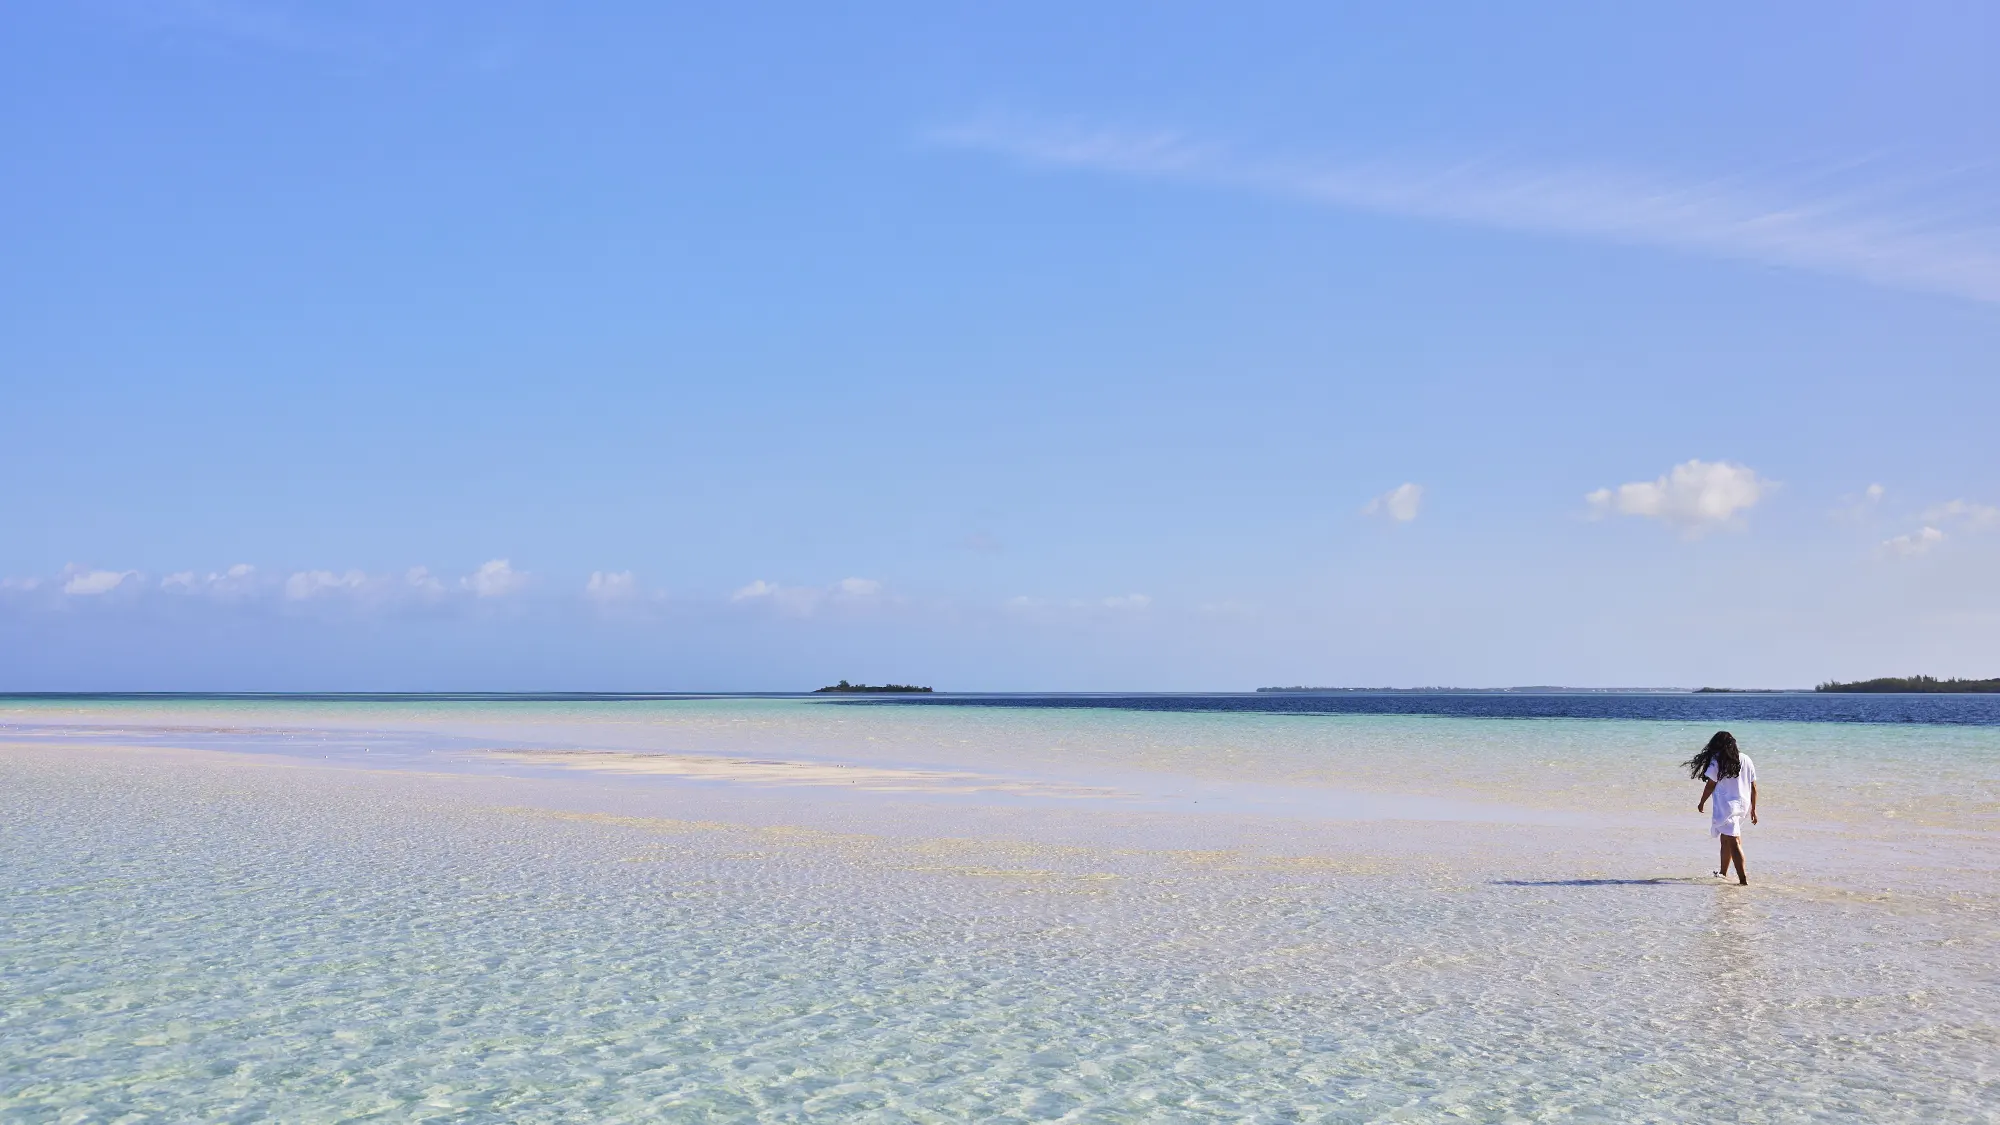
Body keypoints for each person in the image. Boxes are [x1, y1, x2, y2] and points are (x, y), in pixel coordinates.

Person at [1684, 730, 1758, 885]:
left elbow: (1710, 786)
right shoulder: (1746, 759)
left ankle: (1743, 881)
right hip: (1743, 805)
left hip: (1727, 807)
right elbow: (1754, 787)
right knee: (1725, 839)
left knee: (1733, 841)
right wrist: (1753, 809)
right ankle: (1723, 873)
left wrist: (1701, 802)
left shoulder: (1718, 760)